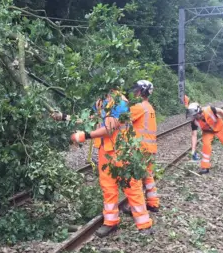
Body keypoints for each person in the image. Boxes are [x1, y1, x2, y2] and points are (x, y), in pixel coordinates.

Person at [53, 85, 152, 237]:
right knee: (108, 187)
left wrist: (83, 136)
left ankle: (144, 225)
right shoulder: (101, 102)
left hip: (122, 151)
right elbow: (90, 119)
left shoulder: (119, 102)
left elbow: (110, 128)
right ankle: (111, 222)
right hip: (105, 152)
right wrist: (64, 117)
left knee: (132, 186)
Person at [129, 80, 159, 211]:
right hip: (150, 148)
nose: (134, 92)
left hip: (140, 148)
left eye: (136, 90)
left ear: (141, 91)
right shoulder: (149, 107)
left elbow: (123, 118)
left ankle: (137, 208)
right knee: (148, 175)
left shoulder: (138, 107)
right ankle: (153, 203)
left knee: (135, 178)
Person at [187, 102, 223, 175]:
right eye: (193, 116)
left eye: (195, 115)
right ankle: (205, 167)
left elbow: (221, 111)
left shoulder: (209, 110)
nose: (194, 117)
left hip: (220, 127)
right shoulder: (194, 121)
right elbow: (194, 135)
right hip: (207, 132)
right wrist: (193, 150)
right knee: (206, 146)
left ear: (199, 111)